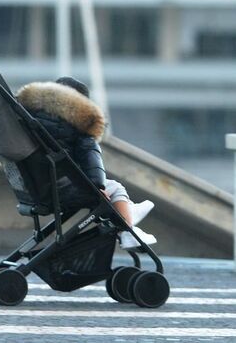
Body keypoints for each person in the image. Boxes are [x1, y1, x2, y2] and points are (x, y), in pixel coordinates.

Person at [16, 76, 156, 250]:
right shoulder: (81, 123)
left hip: (34, 190)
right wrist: (98, 186)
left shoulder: (29, 119)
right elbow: (91, 159)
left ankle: (127, 217)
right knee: (115, 188)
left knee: (109, 196)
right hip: (64, 191)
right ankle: (128, 229)